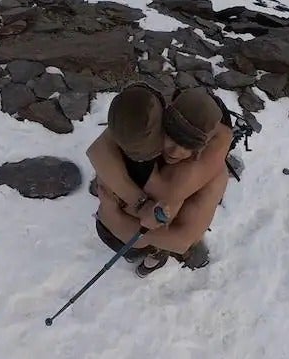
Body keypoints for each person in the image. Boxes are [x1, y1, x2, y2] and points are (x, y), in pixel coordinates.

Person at [87, 83, 233, 276]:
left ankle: (153, 261)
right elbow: (97, 150)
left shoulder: (210, 177)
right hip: (117, 228)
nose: (174, 151)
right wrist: (137, 202)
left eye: (188, 145)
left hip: (140, 236)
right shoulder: (152, 123)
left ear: (204, 148)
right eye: (171, 136)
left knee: (152, 251)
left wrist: (113, 215)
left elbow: (181, 241)